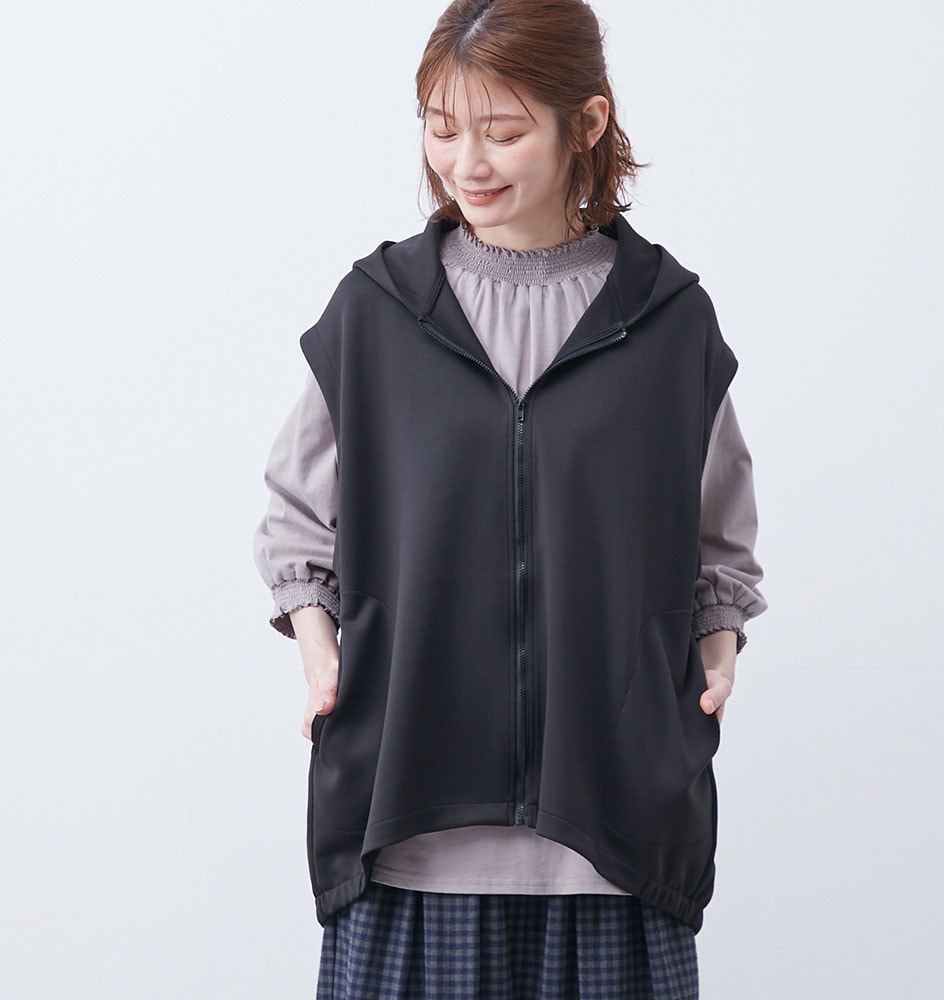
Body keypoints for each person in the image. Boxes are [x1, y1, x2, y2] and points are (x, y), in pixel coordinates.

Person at [254, 1, 766, 996]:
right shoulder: (378, 311)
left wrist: (717, 652)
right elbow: (295, 516)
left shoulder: (669, 321)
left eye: (502, 132)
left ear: (588, 121)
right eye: (442, 130)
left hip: (613, 838)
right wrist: (320, 650)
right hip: (407, 823)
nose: (467, 164)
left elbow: (719, 538)